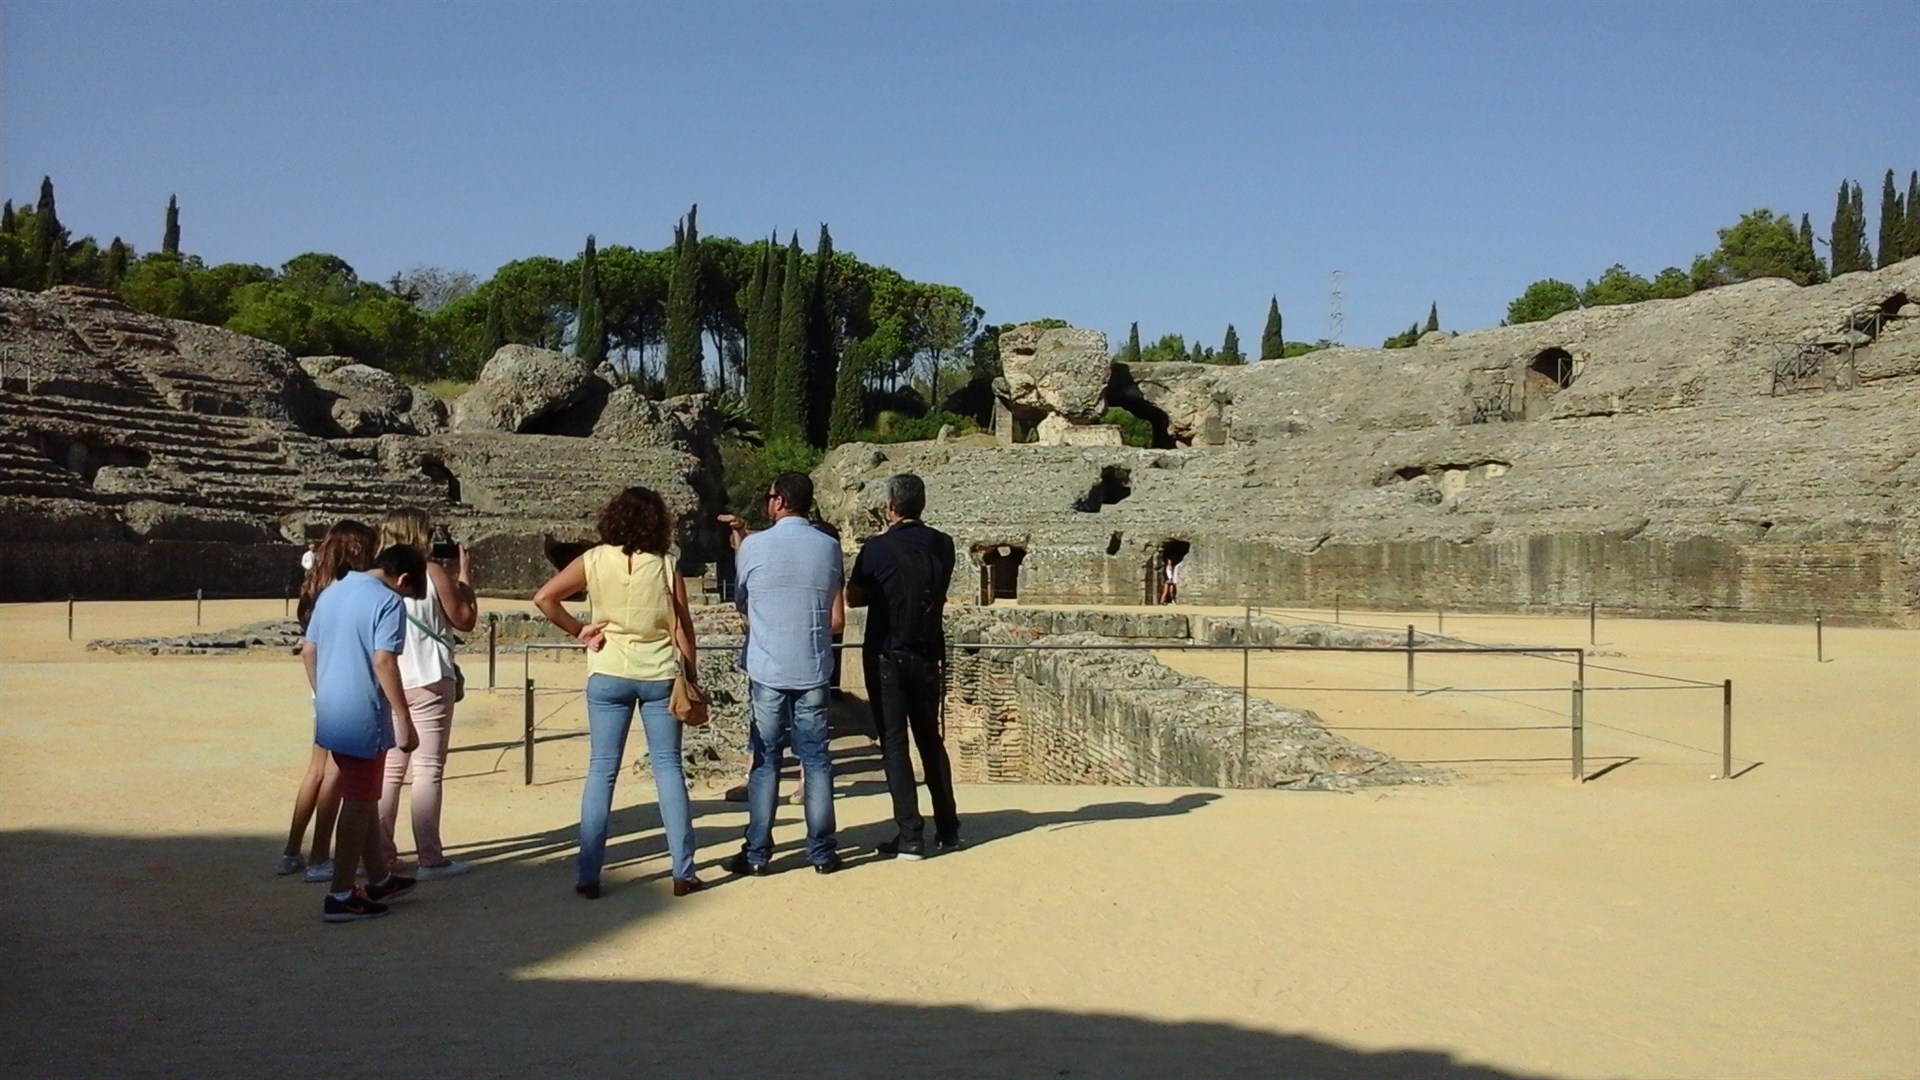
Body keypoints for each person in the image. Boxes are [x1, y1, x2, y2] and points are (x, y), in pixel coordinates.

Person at [533, 487, 703, 900]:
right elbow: (682, 629)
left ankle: (589, 872)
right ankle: (683, 870)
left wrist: (579, 630)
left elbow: (544, 597)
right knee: (668, 769)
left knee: (601, 771)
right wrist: (693, 676)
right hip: (659, 673)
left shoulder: (593, 559)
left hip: (608, 668)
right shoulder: (665, 565)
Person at [718, 471, 844, 876]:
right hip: (813, 667)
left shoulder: (753, 547)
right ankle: (822, 853)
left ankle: (757, 852)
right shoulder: (829, 548)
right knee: (818, 760)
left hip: (769, 666)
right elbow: (832, 608)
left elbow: (742, 600)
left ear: (777, 502)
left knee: (766, 760)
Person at [303, 543, 426, 922]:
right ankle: (340, 894)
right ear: (403, 579)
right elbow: (384, 660)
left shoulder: (332, 591)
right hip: (364, 713)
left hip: (332, 707)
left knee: (364, 794)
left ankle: (379, 878)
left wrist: (324, 694)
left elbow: (309, 651)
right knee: (357, 801)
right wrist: (403, 719)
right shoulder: (388, 602)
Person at [847, 473, 960, 860]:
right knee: (931, 739)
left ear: (890, 507)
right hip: (929, 652)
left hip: (887, 654)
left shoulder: (878, 548)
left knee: (894, 744)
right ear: (922, 506)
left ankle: (911, 834)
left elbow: (853, 597)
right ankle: (948, 827)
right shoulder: (945, 545)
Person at [374, 508, 478, 881]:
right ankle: (430, 857)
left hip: (391, 678)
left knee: (390, 771)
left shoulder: (377, 578)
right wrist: (465, 576)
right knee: (428, 770)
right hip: (430, 676)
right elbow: (464, 618)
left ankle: (381, 853)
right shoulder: (431, 572)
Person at [275, 519, 376, 881]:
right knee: (333, 775)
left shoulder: (318, 587)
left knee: (316, 771)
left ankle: (291, 852)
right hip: (339, 690)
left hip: (325, 689)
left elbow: (309, 646)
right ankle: (319, 856)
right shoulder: (347, 590)